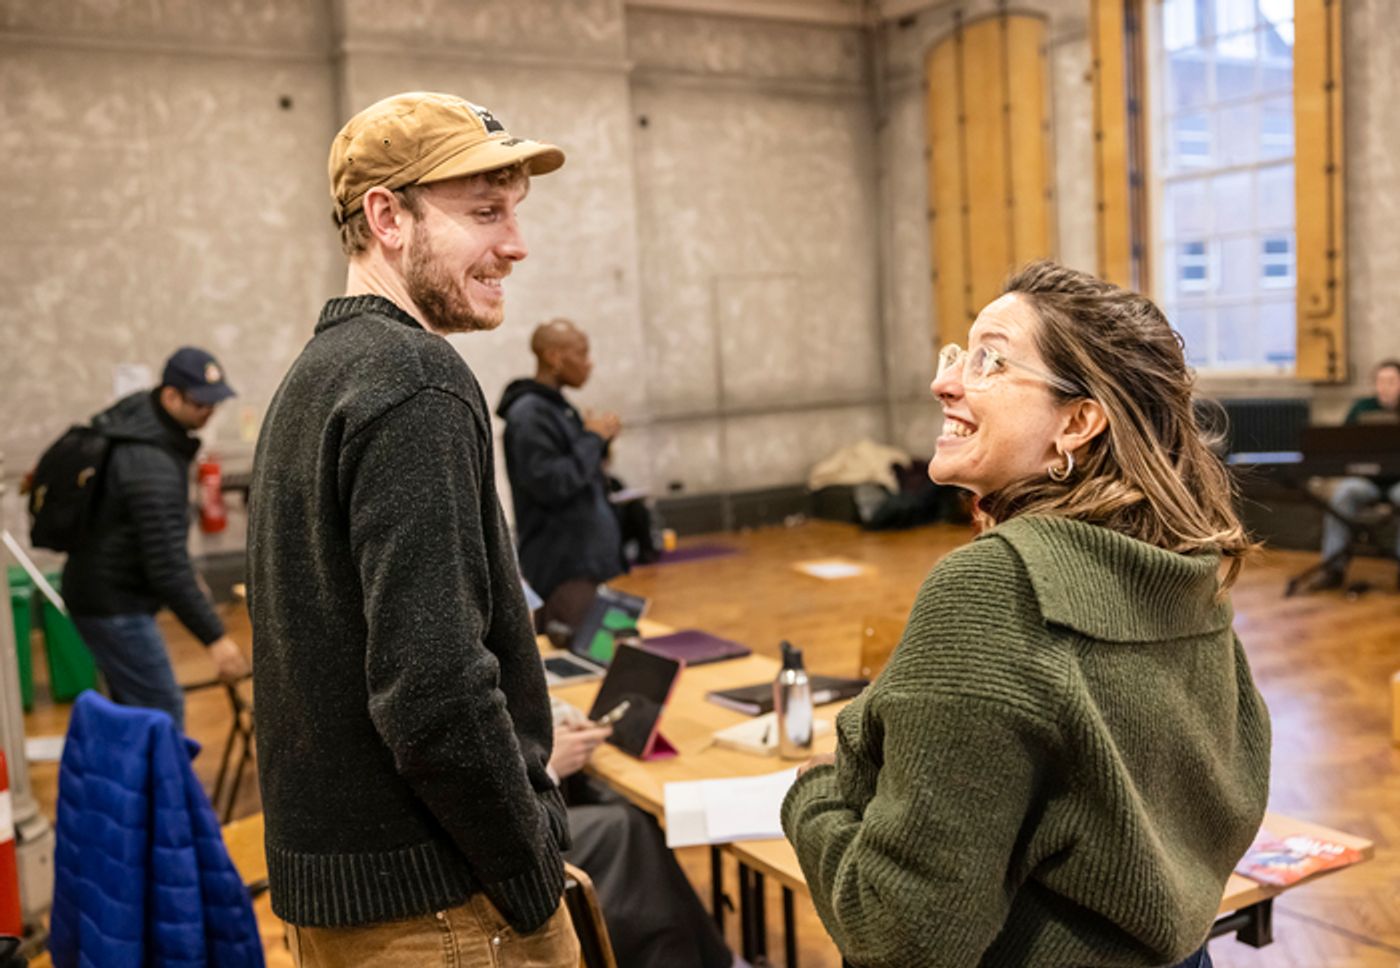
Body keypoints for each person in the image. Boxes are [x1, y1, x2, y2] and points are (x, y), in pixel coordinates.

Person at [781, 261, 1271, 968]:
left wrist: (812, 795)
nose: (945, 382)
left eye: (991, 361)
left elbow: (902, 936)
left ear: (1076, 422)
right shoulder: (1187, 571)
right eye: (960, 354)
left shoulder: (994, 588)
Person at [248, 92, 577, 966]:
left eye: (514, 212)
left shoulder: (320, 373)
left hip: (342, 902)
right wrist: (532, 872)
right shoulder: (415, 380)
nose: (517, 243)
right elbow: (433, 688)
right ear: (387, 218)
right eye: (486, 213)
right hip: (440, 912)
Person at [62, 346, 248, 729]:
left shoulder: (144, 427)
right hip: (113, 603)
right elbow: (166, 565)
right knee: (161, 711)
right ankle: (160, 773)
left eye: (215, 402)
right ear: (170, 396)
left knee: (134, 713)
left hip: (102, 591)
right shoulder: (151, 463)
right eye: (201, 403)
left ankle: (130, 769)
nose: (210, 411)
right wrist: (216, 639)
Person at [547, 699, 742, 968]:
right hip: (502, 836)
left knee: (626, 806)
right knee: (625, 831)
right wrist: (549, 767)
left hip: (525, 788)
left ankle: (718, 960)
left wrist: (559, 723)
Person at [497, 318, 627, 636]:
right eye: (582, 353)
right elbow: (552, 483)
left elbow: (579, 472)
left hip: (585, 562)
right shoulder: (529, 414)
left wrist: (599, 442)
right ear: (554, 357)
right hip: (563, 568)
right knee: (578, 658)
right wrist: (592, 438)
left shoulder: (557, 408)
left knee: (602, 651)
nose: (589, 363)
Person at [1307, 358, 1400, 590]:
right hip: (1366, 481)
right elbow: (1343, 445)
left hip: (1397, 482)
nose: (1385, 387)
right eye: (1380, 381)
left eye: (1391, 381)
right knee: (1343, 494)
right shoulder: (1361, 408)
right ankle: (1333, 568)